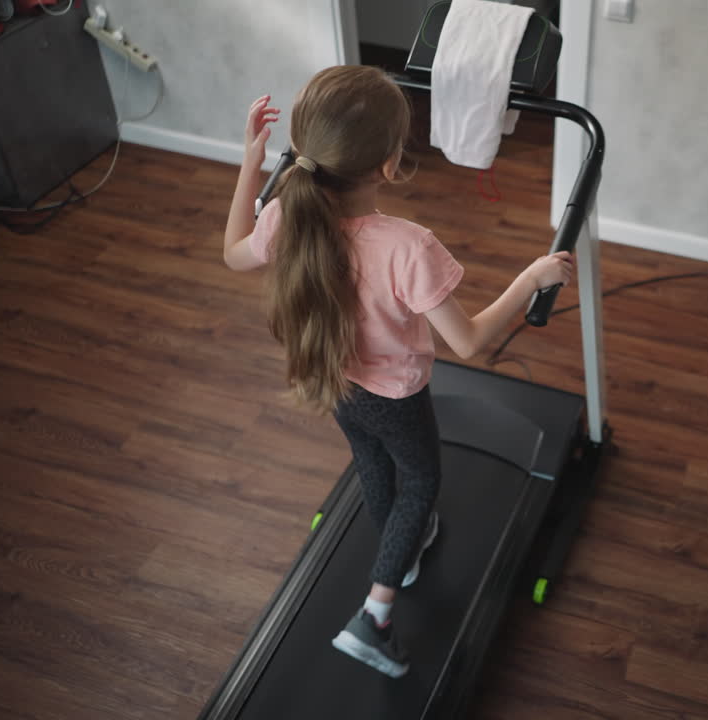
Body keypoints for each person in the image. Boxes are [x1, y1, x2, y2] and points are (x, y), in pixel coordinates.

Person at [220, 66, 573, 678]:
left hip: (337, 383)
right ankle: (375, 615)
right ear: (388, 165)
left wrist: (251, 161)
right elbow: (468, 342)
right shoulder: (407, 246)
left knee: (372, 464)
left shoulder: (285, 215)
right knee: (419, 484)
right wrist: (530, 277)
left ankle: (402, 557)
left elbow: (232, 254)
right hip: (396, 395)